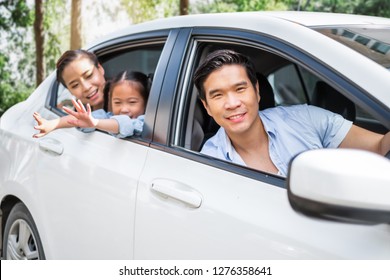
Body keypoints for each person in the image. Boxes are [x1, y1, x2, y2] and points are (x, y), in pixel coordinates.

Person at [193, 49, 390, 176]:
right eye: (218, 95)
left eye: (240, 89)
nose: (232, 103)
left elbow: (380, 146)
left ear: (257, 91)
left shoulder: (306, 119)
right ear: (207, 106)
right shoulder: (209, 165)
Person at [33, 49, 107, 138]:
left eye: (89, 75)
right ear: (69, 90)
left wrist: (54, 124)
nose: (86, 87)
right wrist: (51, 124)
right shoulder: (84, 115)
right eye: (75, 85)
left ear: (100, 68)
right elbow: (81, 118)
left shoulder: (125, 95)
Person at [62, 70, 150, 138]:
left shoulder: (145, 122)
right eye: (117, 102)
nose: (124, 109)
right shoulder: (107, 116)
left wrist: (95, 123)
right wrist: (53, 124)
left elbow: (125, 124)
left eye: (132, 102)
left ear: (146, 102)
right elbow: (83, 119)